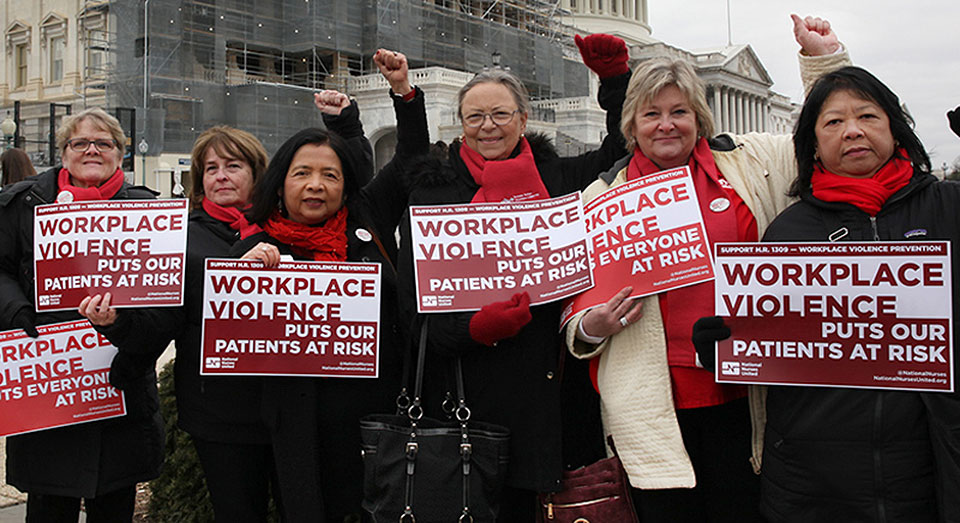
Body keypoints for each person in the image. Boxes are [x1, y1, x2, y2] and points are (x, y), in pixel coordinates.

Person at [562, 16, 852, 522]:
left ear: (700, 116)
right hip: (652, 403)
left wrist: (822, 60)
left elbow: (827, 131)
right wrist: (594, 325)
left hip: (748, 393)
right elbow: (577, 311)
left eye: (680, 111)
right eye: (652, 114)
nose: (666, 124)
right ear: (631, 124)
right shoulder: (600, 197)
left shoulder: (752, 162)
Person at [374, 33, 631, 519]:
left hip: (550, 395)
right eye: (475, 117)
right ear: (461, 123)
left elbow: (621, 149)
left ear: (523, 118)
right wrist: (476, 327)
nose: (488, 127)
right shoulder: (432, 194)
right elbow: (415, 313)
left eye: (500, 115)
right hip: (465, 399)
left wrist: (615, 82)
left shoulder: (561, 179)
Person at [697, 66, 960, 522]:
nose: (853, 131)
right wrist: (724, 348)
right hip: (814, 482)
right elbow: (771, 352)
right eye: (833, 122)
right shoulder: (787, 233)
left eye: (867, 117)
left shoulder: (949, 208)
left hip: (929, 471)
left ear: (895, 129)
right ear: (813, 144)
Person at [79, 123, 277, 521]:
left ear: (257, 172)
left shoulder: (285, 228)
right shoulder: (179, 238)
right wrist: (116, 322)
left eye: (232, 166)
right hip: (218, 410)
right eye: (210, 168)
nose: (220, 175)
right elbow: (160, 324)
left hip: (284, 404)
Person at [232, 113, 400, 521]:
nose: (315, 185)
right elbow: (229, 340)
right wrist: (242, 274)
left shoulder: (366, 231)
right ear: (281, 181)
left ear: (345, 187)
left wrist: (404, 96)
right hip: (294, 426)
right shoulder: (254, 247)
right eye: (302, 173)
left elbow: (408, 158)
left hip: (370, 420)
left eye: (330, 175)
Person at [0, 107, 163, 522]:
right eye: (79, 143)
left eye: (103, 143)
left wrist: (122, 323)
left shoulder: (147, 213)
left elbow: (162, 302)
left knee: (113, 503)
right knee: (49, 504)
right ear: (64, 152)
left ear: (120, 154)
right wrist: (19, 314)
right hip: (47, 381)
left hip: (118, 380)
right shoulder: (23, 203)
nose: (91, 150)